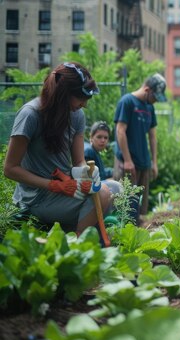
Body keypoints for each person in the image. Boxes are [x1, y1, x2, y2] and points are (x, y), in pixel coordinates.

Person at [3, 62, 109, 233]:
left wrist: (87, 172)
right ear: (63, 94)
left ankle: (74, 235)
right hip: (36, 197)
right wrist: (52, 185)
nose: (85, 105)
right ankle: (78, 251)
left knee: (116, 189)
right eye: (81, 99)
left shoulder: (77, 116)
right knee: (104, 194)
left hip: (65, 189)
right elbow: (10, 169)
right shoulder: (30, 114)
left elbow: (79, 161)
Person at [114, 73, 166, 217]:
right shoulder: (127, 102)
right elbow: (120, 130)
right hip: (127, 163)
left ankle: (140, 237)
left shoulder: (149, 107)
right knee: (126, 207)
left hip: (144, 162)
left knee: (141, 209)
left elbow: (152, 135)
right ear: (147, 90)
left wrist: (154, 162)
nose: (155, 101)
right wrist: (128, 160)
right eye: (155, 97)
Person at [85, 121, 122, 195]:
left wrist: (112, 171)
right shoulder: (89, 152)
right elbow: (90, 180)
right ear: (91, 137)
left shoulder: (95, 151)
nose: (103, 140)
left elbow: (101, 172)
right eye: (99, 137)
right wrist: (111, 180)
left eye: (106, 138)